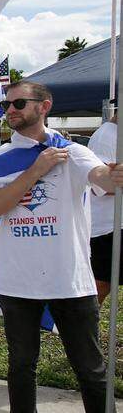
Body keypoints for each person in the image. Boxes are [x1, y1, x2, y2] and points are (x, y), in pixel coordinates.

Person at [0, 81, 123, 413]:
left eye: (19, 103)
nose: (10, 109)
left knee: (92, 374)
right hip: (18, 281)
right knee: (21, 368)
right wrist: (37, 170)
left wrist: (113, 175)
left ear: (44, 106)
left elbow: (100, 178)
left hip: (70, 281)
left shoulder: (73, 152)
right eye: (6, 104)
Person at [87, 113, 117, 303]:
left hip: (114, 224)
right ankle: (78, 328)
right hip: (107, 227)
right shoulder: (106, 137)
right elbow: (100, 185)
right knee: (100, 285)